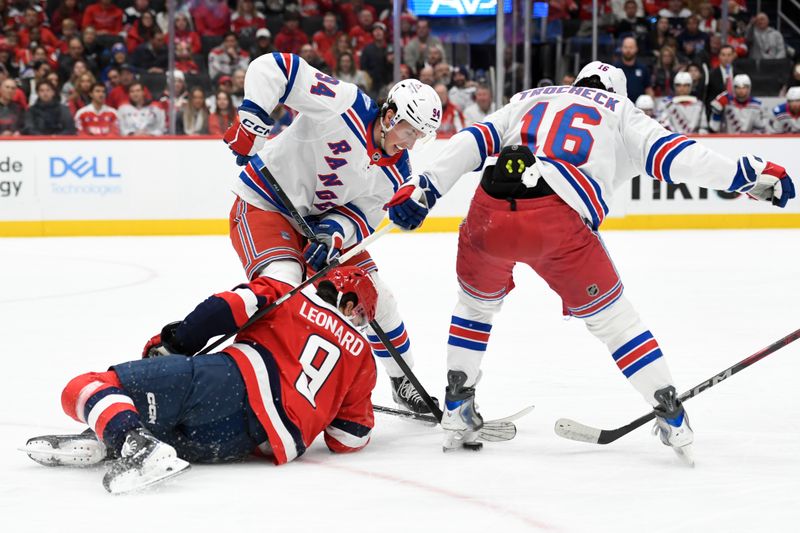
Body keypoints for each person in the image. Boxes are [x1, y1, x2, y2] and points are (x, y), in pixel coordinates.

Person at [384, 61, 795, 459]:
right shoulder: (621, 111)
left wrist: (425, 186)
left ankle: (457, 407)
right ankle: (670, 413)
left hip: (488, 210)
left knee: (475, 306)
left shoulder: (531, 97)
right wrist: (748, 175)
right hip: (557, 220)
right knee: (616, 323)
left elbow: (471, 140)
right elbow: (679, 156)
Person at [23, 267, 379, 494]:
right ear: (349, 303)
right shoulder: (362, 357)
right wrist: (327, 405)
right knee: (170, 424)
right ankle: (113, 439)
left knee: (86, 385)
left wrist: (175, 344)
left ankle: (128, 439)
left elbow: (223, 309)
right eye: (362, 314)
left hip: (229, 382)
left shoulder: (290, 293)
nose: (359, 322)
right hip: (247, 443)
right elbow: (347, 439)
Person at [222, 52, 442, 414]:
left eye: (421, 136)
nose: (411, 143)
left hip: (315, 225)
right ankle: (242, 372)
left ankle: (402, 380)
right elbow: (275, 68)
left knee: (377, 297)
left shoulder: (398, 175)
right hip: (265, 204)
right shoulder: (346, 104)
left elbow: (362, 216)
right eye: (409, 131)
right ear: (390, 117)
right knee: (281, 287)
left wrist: (334, 234)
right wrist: (252, 120)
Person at [614, 36, 654, 103]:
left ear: (636, 49)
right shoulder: (614, 68)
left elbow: (648, 89)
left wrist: (650, 103)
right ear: (621, 49)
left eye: (631, 47)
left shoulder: (643, 68)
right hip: (619, 107)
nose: (628, 50)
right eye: (626, 47)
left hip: (638, 108)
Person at [705, 44, 737, 109]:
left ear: (733, 56)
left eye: (729, 55)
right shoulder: (711, 75)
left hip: (736, 111)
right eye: (723, 55)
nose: (726, 58)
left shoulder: (739, 74)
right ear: (719, 56)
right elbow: (708, 97)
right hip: (716, 110)